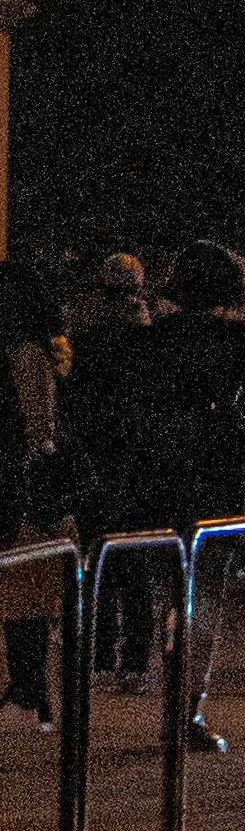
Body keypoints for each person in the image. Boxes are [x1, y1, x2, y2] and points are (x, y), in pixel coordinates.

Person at [87, 244, 245, 748]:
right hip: (215, 484)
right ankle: (187, 708)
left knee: (168, 597)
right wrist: (232, 445)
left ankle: (170, 685)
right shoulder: (240, 340)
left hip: (157, 483)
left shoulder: (151, 340)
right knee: (205, 598)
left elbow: (117, 412)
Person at [60, 252, 165, 674]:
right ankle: (136, 658)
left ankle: (102, 654)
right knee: (135, 562)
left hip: (97, 461)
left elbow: (74, 401)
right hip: (139, 462)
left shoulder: (89, 341)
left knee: (97, 560)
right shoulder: (153, 343)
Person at [0, 252, 63, 720]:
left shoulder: (20, 353)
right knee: (29, 586)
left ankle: (26, 685)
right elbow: (43, 425)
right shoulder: (42, 352)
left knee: (21, 584)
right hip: (32, 481)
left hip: (17, 478)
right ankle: (29, 685)